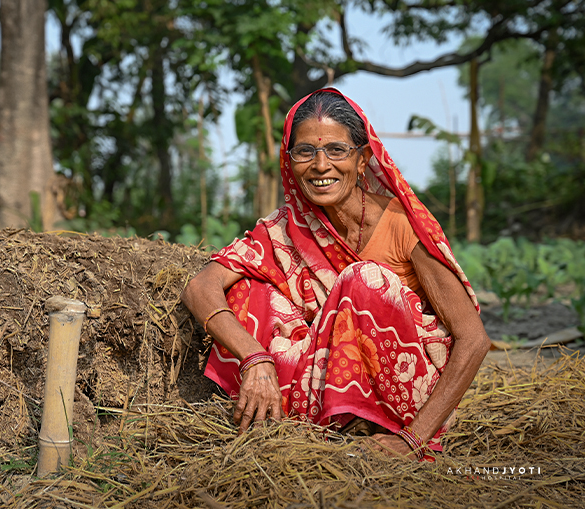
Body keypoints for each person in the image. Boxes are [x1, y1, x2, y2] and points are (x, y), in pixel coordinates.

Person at [181, 88, 491, 460]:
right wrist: (254, 357)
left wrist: (413, 440)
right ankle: (297, 421)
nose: (320, 165)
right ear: (290, 160)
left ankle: (380, 425)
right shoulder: (285, 228)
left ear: (362, 160)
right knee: (250, 289)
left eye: (336, 150)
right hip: (319, 388)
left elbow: (473, 338)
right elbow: (201, 286)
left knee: (363, 280)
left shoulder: (400, 225)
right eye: (305, 151)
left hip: (410, 402)